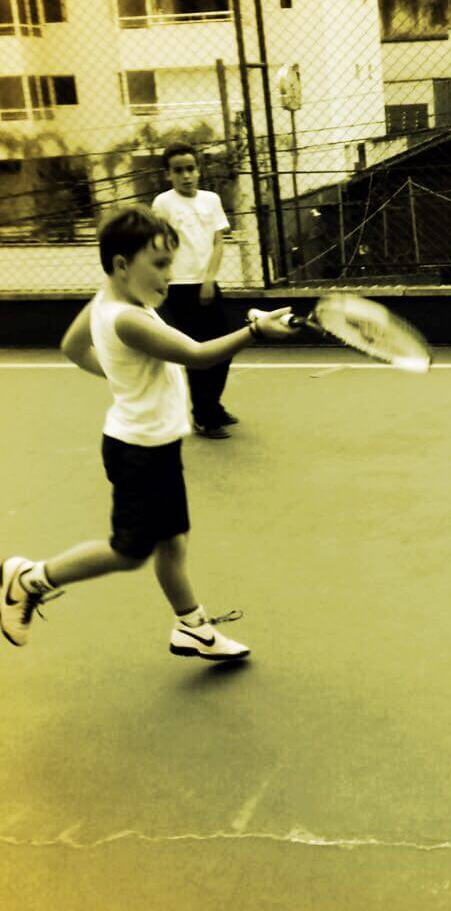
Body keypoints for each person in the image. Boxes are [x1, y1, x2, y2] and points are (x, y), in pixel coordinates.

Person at [0, 205, 293, 659]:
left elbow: (72, 346)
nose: (168, 276)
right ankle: (28, 578)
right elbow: (198, 356)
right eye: (159, 264)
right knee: (129, 552)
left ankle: (191, 627)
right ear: (122, 265)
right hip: (138, 453)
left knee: (173, 542)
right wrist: (255, 330)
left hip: (155, 444)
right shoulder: (127, 319)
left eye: (170, 264)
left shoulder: (108, 298)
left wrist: (122, 378)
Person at [152, 142, 236, 439]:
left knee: (224, 349)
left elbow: (218, 243)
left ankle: (212, 405)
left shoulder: (211, 200)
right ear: (168, 175)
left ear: (199, 170)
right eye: (178, 171)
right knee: (197, 353)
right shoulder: (163, 203)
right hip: (179, 289)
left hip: (208, 285)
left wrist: (209, 280)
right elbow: (159, 245)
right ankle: (203, 416)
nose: (186, 176)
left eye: (190, 169)